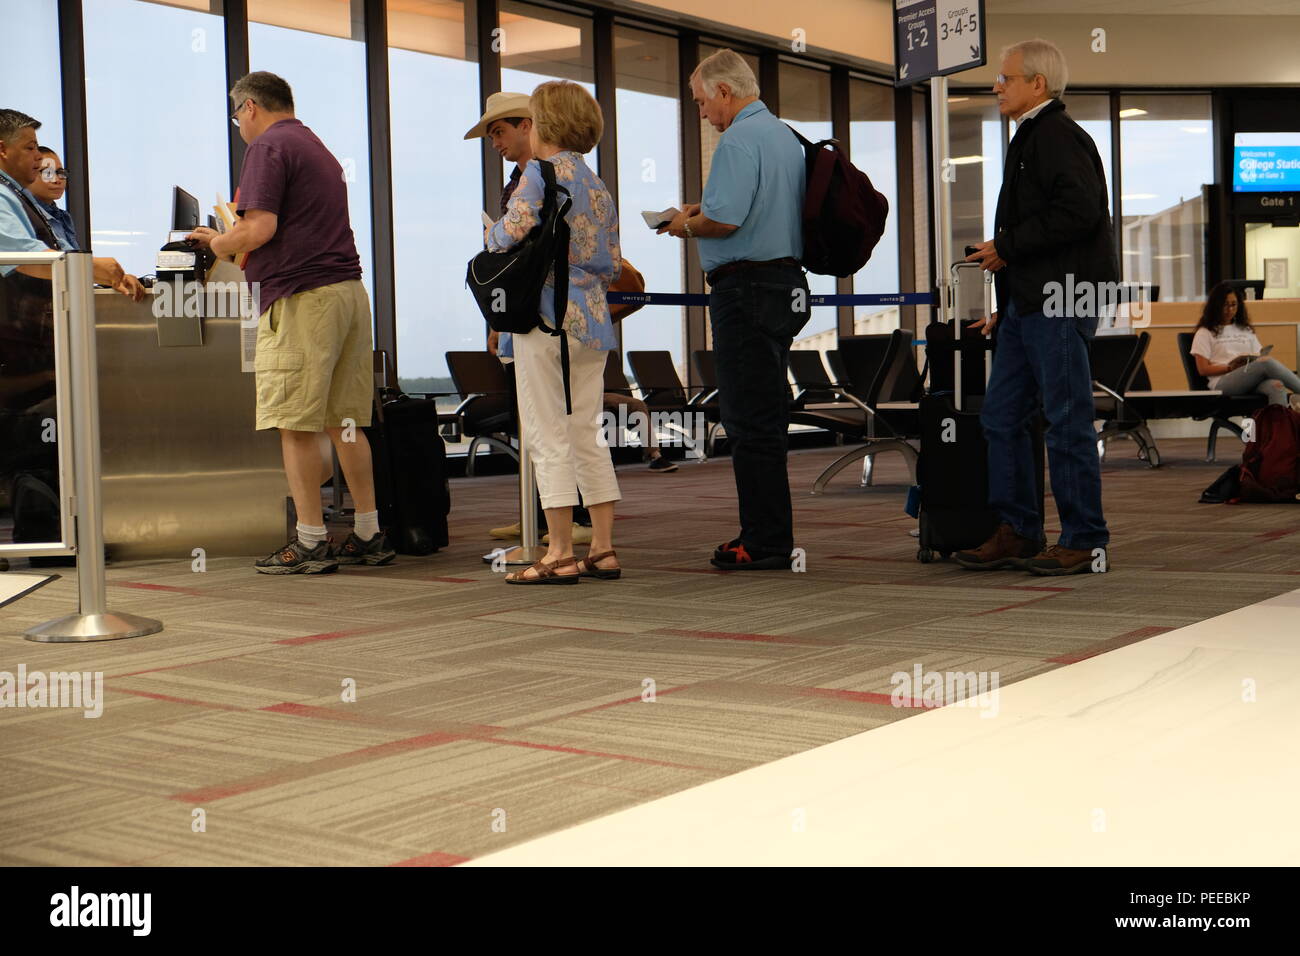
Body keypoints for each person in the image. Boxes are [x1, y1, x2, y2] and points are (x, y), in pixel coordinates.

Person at [187, 72, 392, 574]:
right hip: (347, 294)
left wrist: (215, 242)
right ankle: (367, 533)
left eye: (237, 116)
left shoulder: (268, 147)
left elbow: (261, 227)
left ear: (251, 106)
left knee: (294, 424)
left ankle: (309, 542)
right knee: (345, 422)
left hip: (302, 300)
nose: (239, 127)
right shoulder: (313, 144)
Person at [956, 39, 1116, 576]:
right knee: (1001, 417)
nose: (996, 86)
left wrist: (1009, 247)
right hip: (1031, 301)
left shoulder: (1057, 136)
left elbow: (1078, 212)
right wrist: (1012, 290)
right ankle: (1019, 531)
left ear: (1037, 85)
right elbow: (1048, 225)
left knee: (1066, 420)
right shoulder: (1031, 136)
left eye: (1005, 78)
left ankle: (1084, 539)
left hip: (1061, 299)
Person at [662, 49, 808, 571]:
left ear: (725, 92)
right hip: (784, 283)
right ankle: (771, 533)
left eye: (702, 102)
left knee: (749, 420)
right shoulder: (784, 136)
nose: (702, 112)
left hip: (746, 288)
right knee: (765, 415)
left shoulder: (737, 139)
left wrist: (682, 223)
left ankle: (764, 540)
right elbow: (761, 207)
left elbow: (724, 223)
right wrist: (709, 213)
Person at [485, 80, 622, 584]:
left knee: (546, 432)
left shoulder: (538, 175)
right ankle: (603, 548)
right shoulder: (597, 182)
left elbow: (510, 232)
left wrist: (490, 233)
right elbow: (612, 261)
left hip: (545, 318)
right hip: (592, 322)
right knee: (587, 431)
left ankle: (559, 552)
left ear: (545, 123)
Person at [0, 109, 143, 299]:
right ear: (3, 150)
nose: (39, 156)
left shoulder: (16, 193)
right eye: (30, 148)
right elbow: (24, 255)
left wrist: (107, 276)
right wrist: (91, 268)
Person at [1191, 282, 1300, 409]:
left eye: (1233, 305)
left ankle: (1279, 428)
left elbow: (1258, 356)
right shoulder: (1205, 332)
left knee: (1277, 386)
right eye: (1225, 305)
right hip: (1223, 382)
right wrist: (1230, 368)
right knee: (1267, 362)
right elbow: (1203, 369)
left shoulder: (1245, 329)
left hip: (1250, 377)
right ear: (1216, 305)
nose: (1230, 310)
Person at [29, 147, 80, 252]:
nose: (57, 180)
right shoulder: (24, 213)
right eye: (48, 173)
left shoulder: (64, 217)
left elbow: (74, 257)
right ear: (28, 174)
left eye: (60, 172)